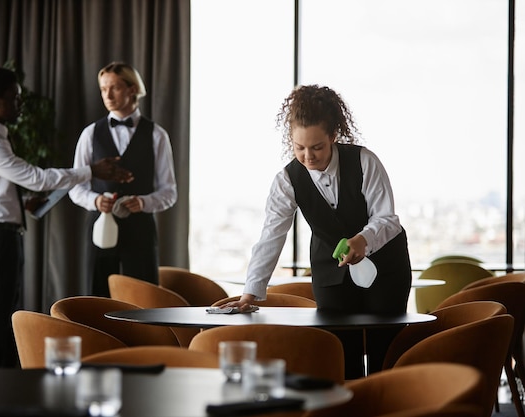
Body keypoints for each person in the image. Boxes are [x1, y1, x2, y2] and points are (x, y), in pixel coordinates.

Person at [222, 84, 412, 379]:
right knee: (340, 354)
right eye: (299, 148)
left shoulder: (365, 161)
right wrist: (251, 292)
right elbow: (272, 235)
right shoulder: (286, 180)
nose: (308, 156)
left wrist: (363, 239)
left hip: (385, 268)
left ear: (333, 136)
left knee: (384, 356)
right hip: (330, 272)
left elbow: (388, 219)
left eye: (317, 147)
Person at [0, 66, 133, 369]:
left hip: (0, 237)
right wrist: (91, 171)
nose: (20, 103)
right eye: (14, 98)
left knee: (4, 323)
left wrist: (20, 202)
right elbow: (36, 177)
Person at [69, 62, 177, 296]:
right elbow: (76, 188)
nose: (107, 94)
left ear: (132, 89)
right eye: (103, 88)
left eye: (114, 87)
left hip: (141, 233)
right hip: (100, 229)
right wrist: (95, 201)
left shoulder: (157, 135)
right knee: (97, 300)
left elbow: (169, 192)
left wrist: (143, 203)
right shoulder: (90, 133)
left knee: (141, 300)